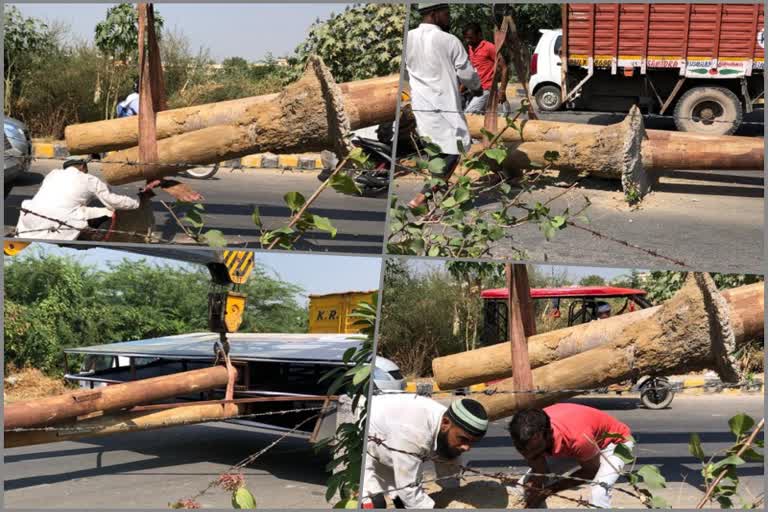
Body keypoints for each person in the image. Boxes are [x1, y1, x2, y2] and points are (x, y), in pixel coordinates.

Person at [405, 3, 483, 208]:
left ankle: (434, 196)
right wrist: (476, 88)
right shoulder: (449, 40)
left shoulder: (408, 38)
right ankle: (422, 198)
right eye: (446, 14)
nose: (449, 18)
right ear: (433, 14)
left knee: (436, 152)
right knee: (455, 150)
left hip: (421, 105)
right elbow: (466, 74)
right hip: (444, 106)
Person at [363, 395, 488, 509]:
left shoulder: (447, 424)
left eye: (472, 443)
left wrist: (452, 495)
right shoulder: (415, 433)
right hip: (363, 441)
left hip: (389, 442)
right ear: (445, 423)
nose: (467, 448)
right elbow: (410, 491)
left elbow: (449, 467)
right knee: (375, 503)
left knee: (400, 498)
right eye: (463, 439)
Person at [508, 404, 634, 508]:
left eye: (534, 450)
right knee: (523, 488)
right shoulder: (528, 436)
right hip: (576, 445)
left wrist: (549, 490)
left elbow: (591, 471)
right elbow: (540, 470)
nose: (529, 455)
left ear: (548, 434)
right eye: (523, 450)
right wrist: (535, 487)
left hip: (613, 443)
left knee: (599, 492)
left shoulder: (578, 439)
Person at [15, 157, 143, 240]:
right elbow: (113, 201)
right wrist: (138, 200)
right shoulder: (89, 179)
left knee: (80, 209)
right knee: (109, 212)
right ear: (82, 166)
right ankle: (91, 240)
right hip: (60, 223)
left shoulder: (52, 174)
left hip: (29, 219)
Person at [462, 22, 510, 114]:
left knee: (468, 115)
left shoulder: (489, 47)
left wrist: (502, 91)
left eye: (470, 38)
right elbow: (474, 70)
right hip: (476, 90)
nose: (468, 40)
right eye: (466, 38)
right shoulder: (470, 48)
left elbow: (504, 68)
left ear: (479, 35)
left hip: (487, 90)